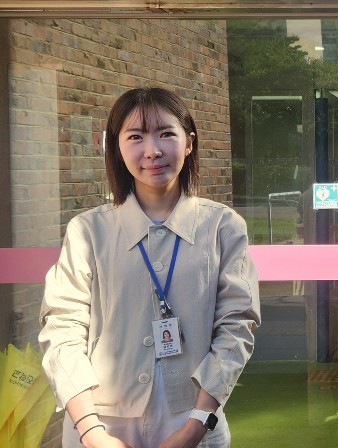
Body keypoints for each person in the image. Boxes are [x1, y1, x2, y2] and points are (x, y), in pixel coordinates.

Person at [39, 87, 261, 448]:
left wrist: (197, 426)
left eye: (166, 134)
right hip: (99, 422)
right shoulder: (87, 231)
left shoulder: (223, 227)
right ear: (116, 148)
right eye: (135, 137)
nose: (152, 150)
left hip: (194, 418)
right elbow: (62, 328)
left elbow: (237, 327)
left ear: (189, 143)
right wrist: (91, 432)